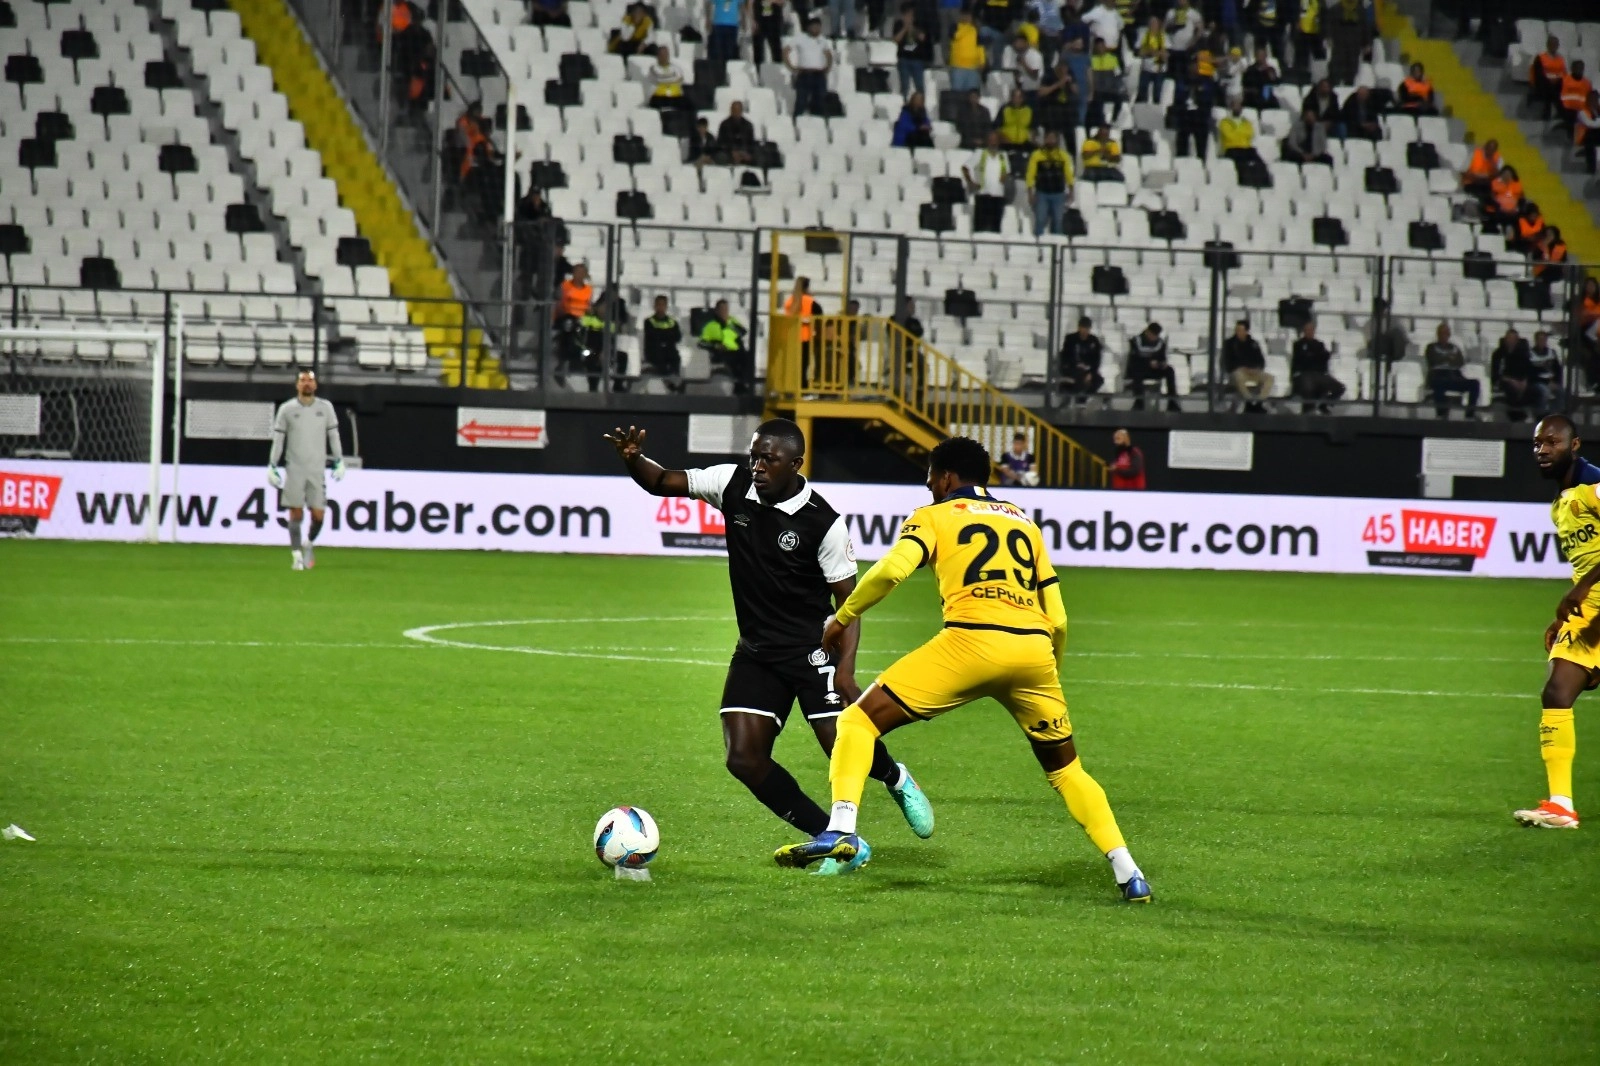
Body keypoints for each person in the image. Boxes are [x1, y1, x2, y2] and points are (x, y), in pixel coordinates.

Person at [773, 435, 1151, 902]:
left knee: (856, 722)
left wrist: (842, 618)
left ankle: (842, 829)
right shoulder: (1025, 522)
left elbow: (891, 571)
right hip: (1034, 653)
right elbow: (1058, 619)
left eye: (931, 477)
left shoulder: (934, 516)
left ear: (947, 477)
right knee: (1067, 771)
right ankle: (1129, 872)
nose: (929, 486)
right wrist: (1050, 669)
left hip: (970, 642)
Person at [603, 421, 937, 872]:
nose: (757, 466)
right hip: (757, 653)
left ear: (795, 464)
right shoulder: (732, 483)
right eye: (754, 456)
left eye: (769, 459)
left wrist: (845, 670)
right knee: (744, 758)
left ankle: (897, 779)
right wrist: (633, 460)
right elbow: (662, 481)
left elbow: (851, 603)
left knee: (838, 745)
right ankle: (833, 838)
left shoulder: (824, 523)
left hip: (813, 650)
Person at [1518, 413, 1600, 830]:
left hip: (1595, 602)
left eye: (1552, 442)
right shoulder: (1562, 501)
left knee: (1557, 691)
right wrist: (1570, 607)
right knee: (1557, 692)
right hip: (1590, 606)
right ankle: (1560, 805)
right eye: (1538, 443)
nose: (1543, 450)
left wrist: (1580, 591)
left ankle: (1561, 805)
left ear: (1574, 445)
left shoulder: (1594, 486)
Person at [268, 369, 345, 572]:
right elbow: (279, 439)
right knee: (295, 513)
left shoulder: (325, 408)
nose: (307, 383)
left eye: (310, 380)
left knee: (318, 515)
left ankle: (308, 542)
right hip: (294, 468)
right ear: (297, 385)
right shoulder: (287, 409)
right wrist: (272, 465)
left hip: (316, 469)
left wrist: (339, 460)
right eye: (303, 380)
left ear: (315, 384)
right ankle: (296, 556)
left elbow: (334, 436)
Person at [1422, 322, 1478, 419]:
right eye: (1442, 333)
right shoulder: (1431, 347)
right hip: (1439, 375)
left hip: (1454, 376)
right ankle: (1441, 413)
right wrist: (1449, 358)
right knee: (1438, 383)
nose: (1444, 335)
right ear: (1438, 334)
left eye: (1446, 333)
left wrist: (1444, 359)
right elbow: (1434, 360)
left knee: (1475, 384)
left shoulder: (1455, 348)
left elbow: (1460, 362)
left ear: (1449, 335)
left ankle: (1470, 414)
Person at [1025, 129, 1074, 237]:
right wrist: (1030, 193)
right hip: (1042, 193)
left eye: (1053, 138)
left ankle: (1056, 245)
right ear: (1044, 139)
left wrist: (1071, 191)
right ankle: (1038, 244)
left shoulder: (1063, 156)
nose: (1050, 141)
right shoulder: (1036, 155)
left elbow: (1069, 175)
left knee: (1058, 222)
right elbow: (1030, 175)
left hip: (1059, 194)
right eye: (1048, 138)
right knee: (1040, 220)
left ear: (1057, 140)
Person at [554, 261, 595, 387]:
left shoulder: (588, 289)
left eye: (582, 273)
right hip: (566, 317)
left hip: (582, 318)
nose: (579, 275)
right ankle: (564, 364)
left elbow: (589, 305)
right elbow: (559, 304)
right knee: (569, 328)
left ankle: (581, 362)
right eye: (577, 272)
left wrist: (589, 311)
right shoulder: (565, 286)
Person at [1290, 319, 1343, 413]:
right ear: (1304, 331)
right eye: (1307, 330)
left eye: (1311, 330)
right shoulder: (1298, 344)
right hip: (1305, 374)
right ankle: (1308, 411)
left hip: (1320, 374)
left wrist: (1314, 356)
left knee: (1339, 388)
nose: (1310, 332)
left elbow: (1324, 358)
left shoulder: (1319, 344)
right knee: (1308, 388)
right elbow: (1302, 360)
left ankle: (1324, 404)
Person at [700, 299, 753, 392]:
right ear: (717, 311)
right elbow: (702, 343)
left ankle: (744, 385)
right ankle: (738, 386)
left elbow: (742, 332)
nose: (724, 312)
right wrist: (715, 345)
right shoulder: (710, 326)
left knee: (748, 357)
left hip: (737, 352)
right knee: (731, 364)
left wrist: (729, 324)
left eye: (726, 309)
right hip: (721, 353)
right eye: (722, 309)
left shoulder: (732, 321)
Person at [963, 130, 1010, 232]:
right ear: (987, 141)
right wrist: (971, 182)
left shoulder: (1003, 155)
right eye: (991, 139)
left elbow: (1006, 171)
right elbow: (965, 168)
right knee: (980, 226)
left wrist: (1003, 179)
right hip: (983, 194)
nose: (993, 142)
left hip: (998, 195)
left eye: (995, 139)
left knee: (996, 227)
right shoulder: (980, 153)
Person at [1126, 322, 1181, 412]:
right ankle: (1139, 402)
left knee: (1170, 371)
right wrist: (1148, 362)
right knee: (1137, 371)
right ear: (1147, 332)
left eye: (1156, 335)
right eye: (1152, 334)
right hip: (1140, 368)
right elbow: (1133, 358)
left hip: (1154, 369)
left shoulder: (1160, 343)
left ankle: (1172, 402)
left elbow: (1162, 357)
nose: (1154, 337)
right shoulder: (1135, 341)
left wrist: (1161, 363)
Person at [1222, 319, 1271, 412]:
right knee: (1238, 375)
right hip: (1238, 371)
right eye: (1237, 330)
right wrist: (1240, 367)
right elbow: (1227, 361)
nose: (1238, 332)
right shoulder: (1229, 344)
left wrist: (1256, 368)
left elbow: (1261, 361)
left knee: (1269, 378)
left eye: (1241, 330)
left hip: (1253, 372)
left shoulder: (1253, 344)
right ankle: (1249, 400)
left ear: (1246, 331)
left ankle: (1259, 401)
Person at [787, 18, 832, 117]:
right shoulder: (800, 38)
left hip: (819, 74)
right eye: (814, 27)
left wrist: (828, 67)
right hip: (804, 73)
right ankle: (796, 121)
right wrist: (791, 67)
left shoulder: (823, 40)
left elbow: (828, 55)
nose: (816, 29)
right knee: (801, 101)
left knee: (820, 102)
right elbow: (785, 51)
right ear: (809, 27)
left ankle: (818, 122)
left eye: (818, 27)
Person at [1490, 327, 1537, 421]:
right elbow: (1496, 374)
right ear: (1505, 339)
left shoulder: (1523, 354)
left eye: (1514, 339)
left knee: (1533, 390)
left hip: (1521, 382)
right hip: (1505, 382)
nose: (1511, 341)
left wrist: (1525, 381)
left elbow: (1528, 369)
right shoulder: (1498, 354)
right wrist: (1512, 381)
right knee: (1510, 391)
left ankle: (1527, 416)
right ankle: (1515, 415)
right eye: (1509, 338)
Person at [1059, 315, 1105, 402]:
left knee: (1098, 380)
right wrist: (1076, 364)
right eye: (1083, 328)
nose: (1084, 331)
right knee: (1080, 378)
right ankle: (1071, 397)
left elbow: (1097, 360)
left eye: (1087, 328)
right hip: (1073, 368)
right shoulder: (1070, 339)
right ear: (1079, 328)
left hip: (1087, 370)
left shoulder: (1094, 341)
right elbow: (1066, 356)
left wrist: (1091, 373)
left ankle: (1082, 399)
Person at [642, 294, 684, 388]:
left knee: (675, 357)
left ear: (666, 307)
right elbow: (653, 336)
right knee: (659, 357)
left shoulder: (673, 322)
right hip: (654, 350)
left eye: (663, 305)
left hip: (669, 350)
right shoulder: (649, 321)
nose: (660, 307)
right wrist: (668, 335)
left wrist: (662, 335)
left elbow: (677, 337)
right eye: (658, 304)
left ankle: (674, 379)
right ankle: (669, 380)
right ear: (654, 306)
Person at [893, 6, 932, 96]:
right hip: (903, 59)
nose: (909, 17)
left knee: (919, 86)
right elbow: (896, 39)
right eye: (907, 15)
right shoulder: (898, 24)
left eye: (911, 15)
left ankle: (920, 102)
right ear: (903, 16)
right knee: (904, 86)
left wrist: (912, 29)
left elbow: (922, 37)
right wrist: (905, 29)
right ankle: (904, 101)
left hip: (917, 59)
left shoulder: (919, 24)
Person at [1163, 0, 1200, 94]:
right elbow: (1164, 29)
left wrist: (1193, 42)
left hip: (1186, 49)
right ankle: (1172, 94)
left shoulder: (1193, 13)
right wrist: (1173, 23)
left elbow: (1199, 29)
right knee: (1172, 75)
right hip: (1173, 49)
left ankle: (1186, 95)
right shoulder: (1171, 13)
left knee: (1186, 74)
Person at [1088, 36, 1126, 125]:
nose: (1101, 48)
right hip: (1097, 90)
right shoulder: (1091, 60)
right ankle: (1101, 123)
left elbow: (1117, 74)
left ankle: (1113, 120)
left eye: (1102, 46)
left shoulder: (1113, 58)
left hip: (1110, 89)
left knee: (1120, 99)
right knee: (1097, 103)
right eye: (1098, 47)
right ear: (1095, 48)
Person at [947, 9, 986, 94]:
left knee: (972, 94)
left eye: (969, 16)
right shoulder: (954, 26)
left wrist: (982, 61)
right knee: (957, 94)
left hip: (973, 68)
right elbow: (956, 36)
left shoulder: (975, 29)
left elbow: (980, 46)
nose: (967, 18)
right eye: (965, 15)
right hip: (958, 67)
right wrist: (967, 27)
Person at [1529, 34, 1566, 121]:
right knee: (1549, 88)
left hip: (1557, 82)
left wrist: (1557, 79)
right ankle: (1553, 112)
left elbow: (1563, 73)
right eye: (1552, 44)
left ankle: (1553, 112)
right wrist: (1550, 79)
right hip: (1544, 82)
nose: (1554, 46)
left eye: (1556, 44)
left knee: (1560, 86)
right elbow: (1538, 73)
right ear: (1548, 45)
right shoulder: (1540, 57)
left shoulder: (1560, 58)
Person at [1134, 15, 1168, 103]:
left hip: (1160, 69)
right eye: (1151, 23)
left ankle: (1156, 109)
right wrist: (1152, 52)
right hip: (1146, 68)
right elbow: (1138, 52)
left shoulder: (1164, 36)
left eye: (1155, 23)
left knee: (1157, 94)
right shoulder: (1143, 35)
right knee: (1142, 93)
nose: (1153, 25)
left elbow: (1166, 54)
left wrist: (1152, 52)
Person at [1218, 96, 1259, 165]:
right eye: (1235, 106)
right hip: (1231, 148)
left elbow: (1250, 134)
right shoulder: (1224, 122)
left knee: (1258, 162)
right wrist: (1242, 134)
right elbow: (1229, 136)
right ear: (1231, 108)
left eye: (1239, 106)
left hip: (1246, 148)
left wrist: (1236, 132)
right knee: (1241, 163)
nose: (1237, 108)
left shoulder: (1246, 122)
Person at [1528, 330, 1563, 414]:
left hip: (1552, 381)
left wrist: (1556, 382)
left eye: (1544, 340)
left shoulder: (1552, 353)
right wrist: (1546, 382)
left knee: (1561, 392)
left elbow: (1558, 370)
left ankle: (1555, 414)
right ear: (1536, 340)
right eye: (1540, 339)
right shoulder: (1530, 354)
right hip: (1537, 382)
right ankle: (1540, 415)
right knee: (1544, 392)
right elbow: (1530, 373)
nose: (1542, 342)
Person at [706, 0, 743, 74]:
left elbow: (741, 6)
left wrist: (743, 20)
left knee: (730, 52)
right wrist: (708, 20)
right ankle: (719, 73)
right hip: (718, 24)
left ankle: (728, 73)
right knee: (718, 51)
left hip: (733, 25)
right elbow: (708, 4)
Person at [1007, 32, 1046, 98]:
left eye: (1018, 43)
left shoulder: (1034, 55)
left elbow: (1034, 76)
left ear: (1025, 43)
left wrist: (1024, 64)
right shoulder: (1018, 54)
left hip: (1033, 90)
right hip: (1021, 89)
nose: (1016, 45)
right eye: (1014, 43)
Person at [1485, 164, 1523, 231]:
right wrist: (1498, 206)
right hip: (1498, 209)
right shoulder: (1495, 183)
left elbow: (1520, 198)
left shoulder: (1517, 185)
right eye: (1505, 174)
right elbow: (1491, 196)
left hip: (1513, 211)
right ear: (1501, 174)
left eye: (1509, 174)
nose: (1507, 175)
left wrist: (1516, 208)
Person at [1559, 60, 1592, 135]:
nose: (1579, 70)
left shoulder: (1587, 83)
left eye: (1581, 68)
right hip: (1567, 110)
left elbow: (1589, 99)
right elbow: (1558, 95)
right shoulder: (1564, 80)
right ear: (1572, 69)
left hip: (1581, 111)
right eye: (1577, 68)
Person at [751, 0, 786, 67]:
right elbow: (750, 3)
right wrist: (753, 20)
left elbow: (782, 2)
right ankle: (758, 69)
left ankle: (778, 67)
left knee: (776, 46)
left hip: (774, 19)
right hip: (759, 18)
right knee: (758, 47)